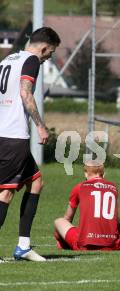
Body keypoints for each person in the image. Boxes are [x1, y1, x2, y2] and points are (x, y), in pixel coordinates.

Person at [0, 27, 60, 262]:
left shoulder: (9, 59)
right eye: (51, 53)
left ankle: (23, 246)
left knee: (35, 182)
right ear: (44, 47)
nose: (49, 58)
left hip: (4, 134)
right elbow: (26, 94)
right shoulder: (31, 60)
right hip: (13, 137)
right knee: (5, 193)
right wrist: (40, 126)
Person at [54, 160, 120, 251]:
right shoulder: (113, 187)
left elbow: (68, 218)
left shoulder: (80, 187)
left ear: (86, 173)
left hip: (86, 245)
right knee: (118, 219)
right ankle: (114, 242)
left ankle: (63, 245)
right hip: (111, 245)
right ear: (104, 174)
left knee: (59, 221)